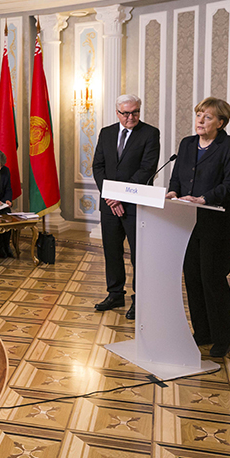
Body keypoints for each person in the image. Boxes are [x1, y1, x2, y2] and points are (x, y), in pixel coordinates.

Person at [166, 97, 230, 357]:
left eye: (207, 116)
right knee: (193, 278)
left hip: (217, 224)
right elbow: (177, 176)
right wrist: (173, 191)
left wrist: (203, 198)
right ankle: (202, 332)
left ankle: (222, 338)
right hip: (187, 223)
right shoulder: (187, 144)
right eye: (199, 114)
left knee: (213, 280)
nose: (200, 120)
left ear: (221, 123)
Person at [92, 94, 160, 319]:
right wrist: (111, 197)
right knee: (112, 251)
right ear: (117, 112)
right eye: (126, 113)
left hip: (135, 204)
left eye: (135, 112)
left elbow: (147, 169)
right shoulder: (106, 132)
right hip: (110, 205)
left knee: (138, 254)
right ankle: (115, 294)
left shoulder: (150, 134)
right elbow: (98, 166)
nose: (131, 117)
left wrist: (120, 195)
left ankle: (139, 299)